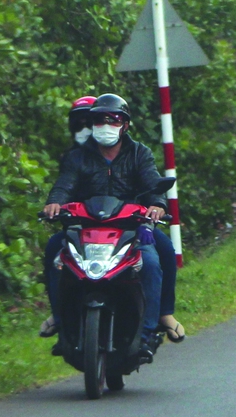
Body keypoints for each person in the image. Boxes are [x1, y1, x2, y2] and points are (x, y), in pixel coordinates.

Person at [40, 95, 185, 343]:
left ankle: (160, 318)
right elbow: (64, 185)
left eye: (113, 119)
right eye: (99, 120)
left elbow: (152, 184)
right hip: (86, 225)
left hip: (132, 226)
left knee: (158, 256)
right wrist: (54, 203)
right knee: (55, 252)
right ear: (92, 123)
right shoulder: (77, 156)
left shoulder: (139, 153)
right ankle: (60, 318)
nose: (106, 125)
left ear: (125, 125)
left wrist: (157, 206)